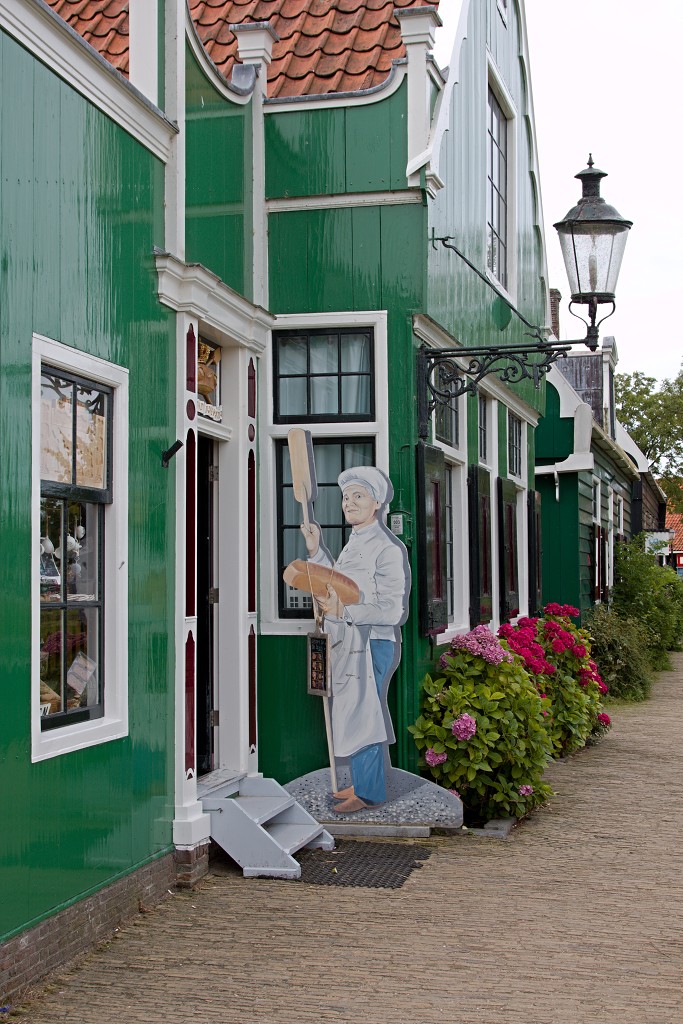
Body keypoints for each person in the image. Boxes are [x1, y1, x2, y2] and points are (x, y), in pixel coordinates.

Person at [301, 466, 410, 814]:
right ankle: (362, 786)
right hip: (347, 641)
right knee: (354, 712)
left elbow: (391, 609)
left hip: (373, 642)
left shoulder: (387, 549)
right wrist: (317, 552)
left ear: (376, 502)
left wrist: (346, 611)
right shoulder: (353, 544)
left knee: (364, 715)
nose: (349, 503)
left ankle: (371, 792)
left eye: (358, 496)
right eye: (346, 498)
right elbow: (337, 583)